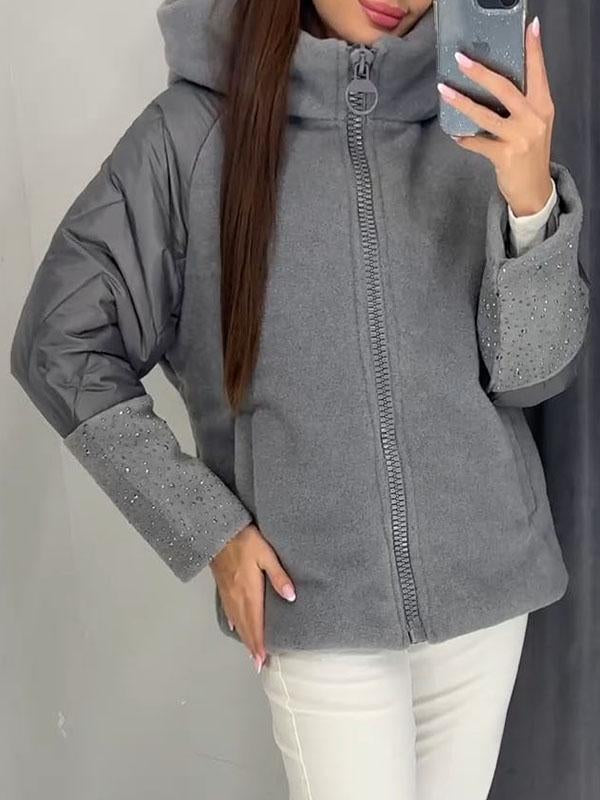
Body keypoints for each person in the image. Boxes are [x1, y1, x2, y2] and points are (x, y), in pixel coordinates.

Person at [10, 0, 590, 797]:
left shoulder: (478, 116)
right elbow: (60, 342)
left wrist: (530, 206)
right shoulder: (192, 134)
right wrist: (207, 529)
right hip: (315, 605)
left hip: (488, 592)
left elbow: (533, 379)